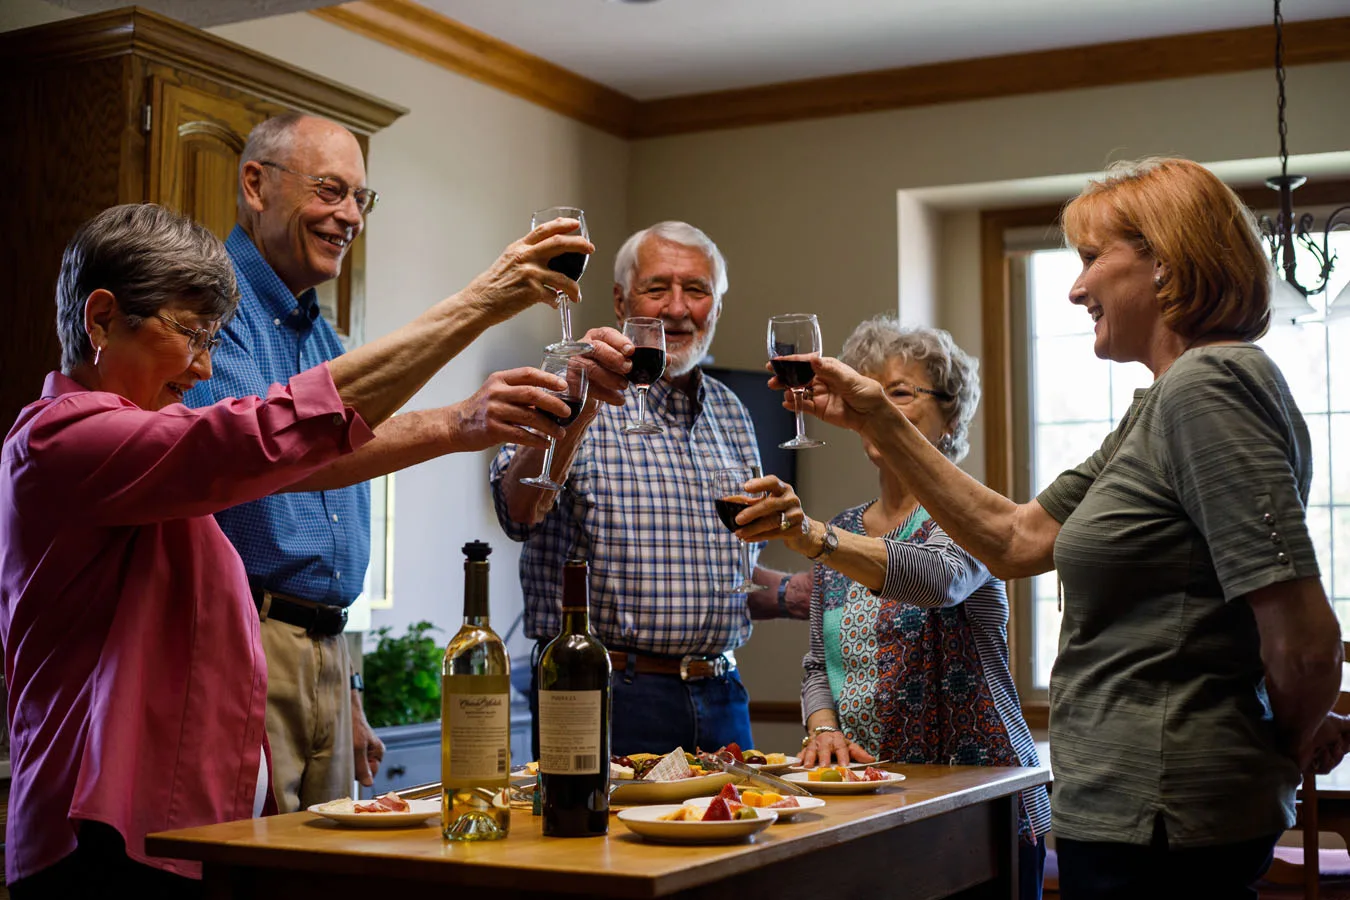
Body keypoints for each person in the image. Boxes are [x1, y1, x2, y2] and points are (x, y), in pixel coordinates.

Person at [780, 158, 1347, 899]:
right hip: (1125, 811)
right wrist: (878, 413)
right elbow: (1014, 537)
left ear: (1167, 263)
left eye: (1091, 259)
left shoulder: (1209, 390)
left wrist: (1265, 749)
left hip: (1170, 818)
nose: (1077, 287)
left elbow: (1303, 643)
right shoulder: (1157, 406)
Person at [0, 203, 581, 896]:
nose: (201, 367)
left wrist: (463, 422)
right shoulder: (59, 441)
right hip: (91, 831)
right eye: (189, 333)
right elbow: (265, 435)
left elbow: (296, 459)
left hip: (171, 822)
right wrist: (481, 302)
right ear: (101, 320)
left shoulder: (147, 446)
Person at [184, 113, 599, 812]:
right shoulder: (206, 310)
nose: (349, 216)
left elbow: (333, 513)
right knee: (251, 866)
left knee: (331, 867)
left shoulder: (324, 334)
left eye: (360, 198)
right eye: (329, 190)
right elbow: (271, 457)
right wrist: (459, 419)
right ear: (254, 184)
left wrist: (345, 685)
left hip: (326, 647)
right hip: (243, 638)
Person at [729, 318, 1049, 899]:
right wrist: (823, 729)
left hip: (981, 800)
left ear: (952, 416)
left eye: (897, 393)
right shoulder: (846, 528)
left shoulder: (975, 517)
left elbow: (939, 578)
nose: (875, 408)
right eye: (867, 394)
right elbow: (816, 665)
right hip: (873, 800)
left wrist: (814, 537)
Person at [491, 221, 809, 757]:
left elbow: (711, 568)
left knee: (737, 838)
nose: (678, 309)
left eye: (697, 290)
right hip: (607, 691)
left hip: (722, 692)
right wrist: (574, 409)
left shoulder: (733, 412)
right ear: (621, 301)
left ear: (718, 305)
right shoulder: (566, 388)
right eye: (658, 288)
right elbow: (516, 513)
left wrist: (784, 592)